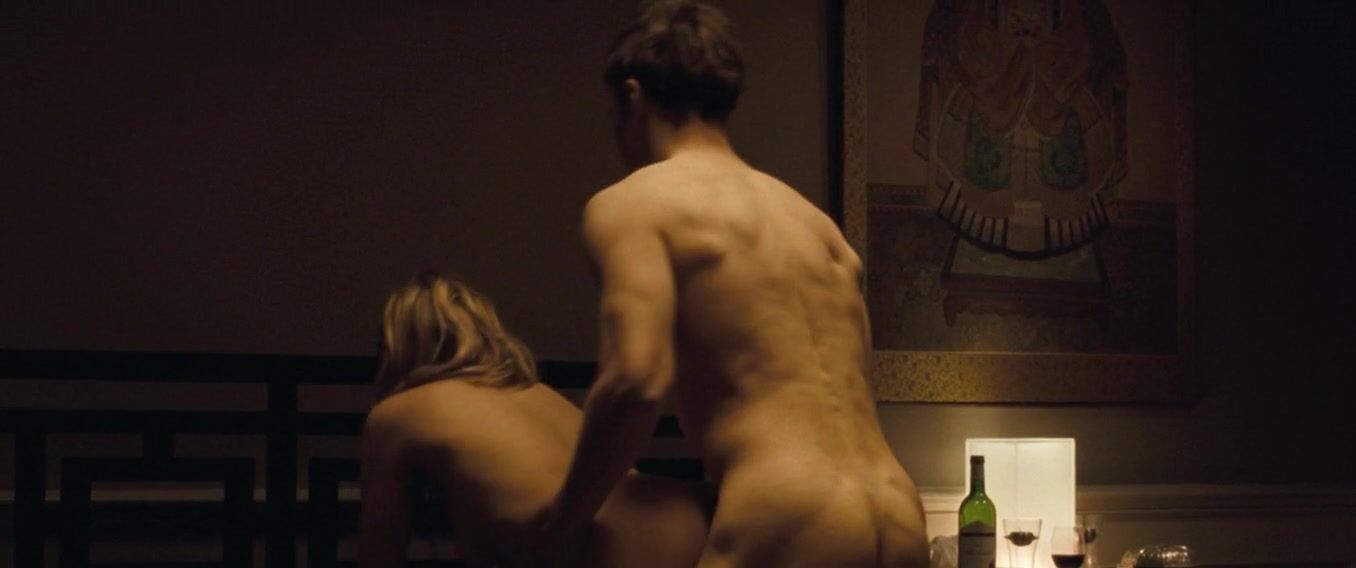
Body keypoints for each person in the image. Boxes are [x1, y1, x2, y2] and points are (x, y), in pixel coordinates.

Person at [539, 1, 930, 566]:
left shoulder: (634, 203)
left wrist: (562, 523)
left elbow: (636, 380)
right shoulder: (816, 226)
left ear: (632, 97)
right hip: (898, 511)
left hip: (788, 514)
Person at [358, 272, 712, 567]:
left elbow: (379, 557)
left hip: (599, 549)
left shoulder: (396, 414)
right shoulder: (540, 394)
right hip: (690, 526)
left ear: (393, 345)